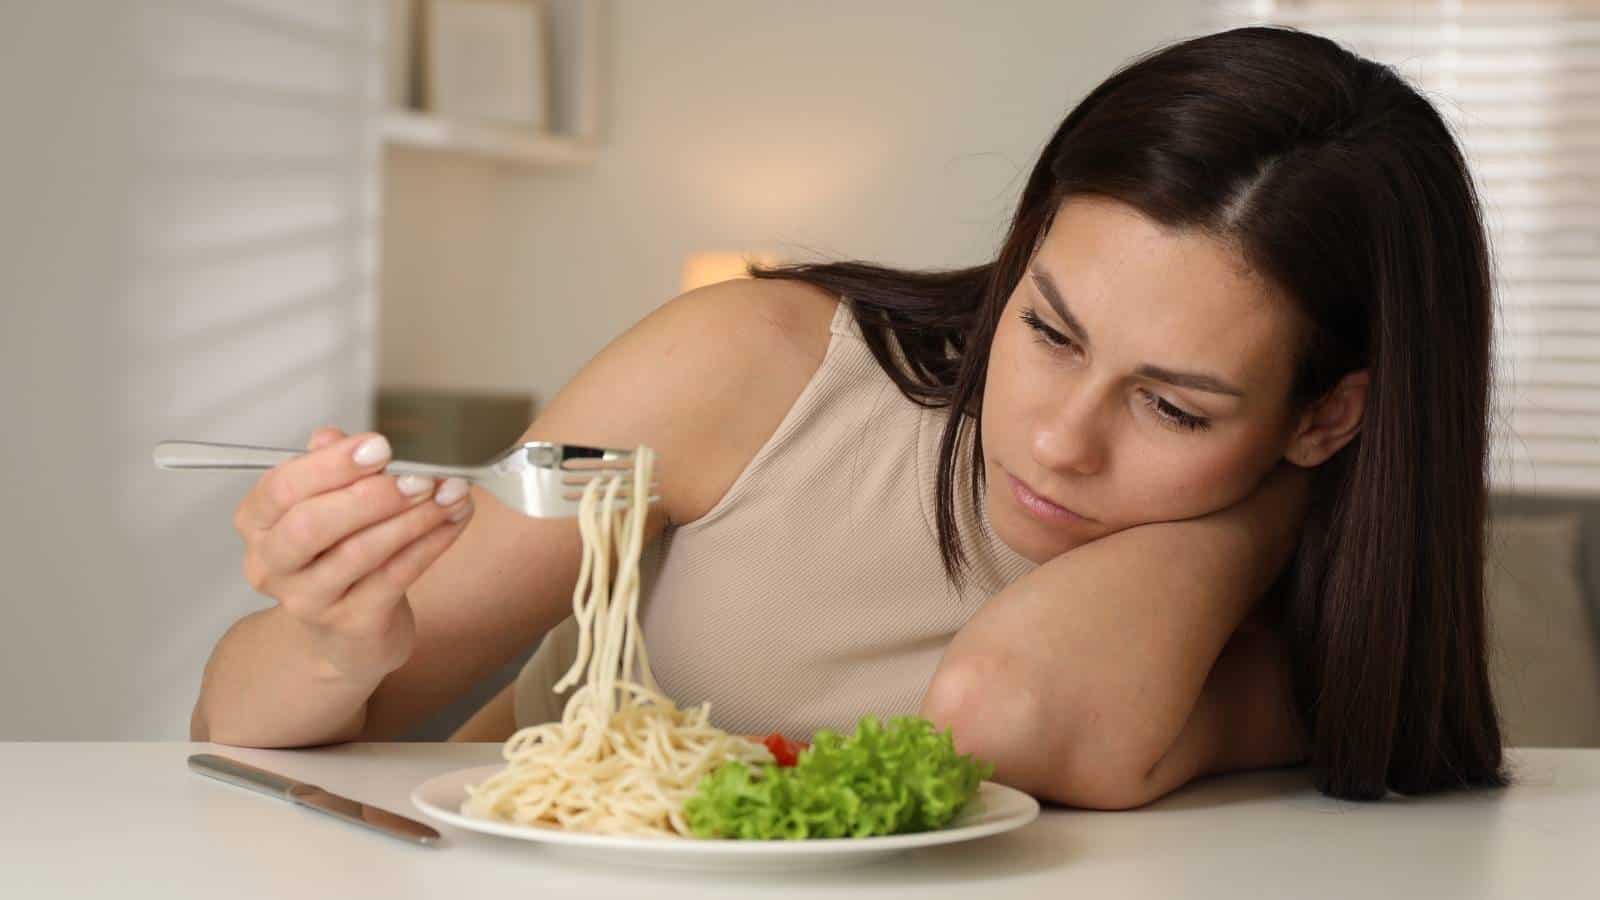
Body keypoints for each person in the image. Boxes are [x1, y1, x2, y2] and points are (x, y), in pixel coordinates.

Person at [191, 26, 1508, 808]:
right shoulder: (747, 369)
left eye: (1170, 403)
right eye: (1046, 330)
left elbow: (1009, 708)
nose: (1058, 441)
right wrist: (330, 629)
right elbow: (237, 729)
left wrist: (1275, 500)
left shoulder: (1283, 612)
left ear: (1332, 417)